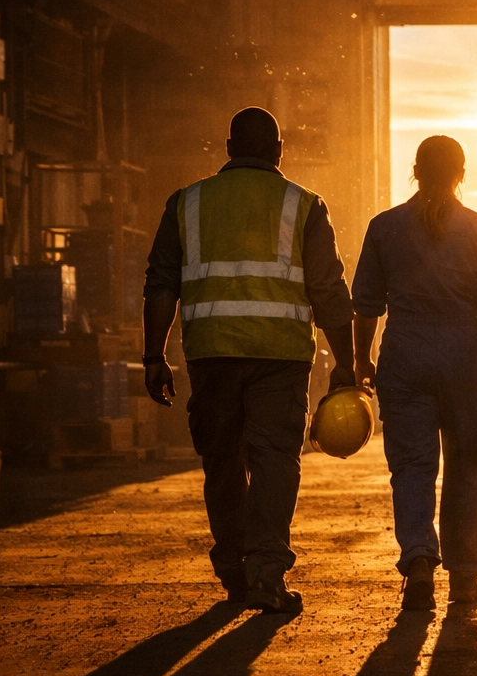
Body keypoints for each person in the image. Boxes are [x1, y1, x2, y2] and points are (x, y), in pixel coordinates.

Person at [143, 106, 355, 613]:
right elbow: (328, 290)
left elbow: (161, 284)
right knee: (275, 462)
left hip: (211, 355)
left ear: (228, 148)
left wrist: (154, 356)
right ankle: (266, 573)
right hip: (280, 357)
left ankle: (234, 571)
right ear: (279, 151)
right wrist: (347, 365)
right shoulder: (304, 204)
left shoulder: (187, 202)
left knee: (222, 463)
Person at [352, 135, 477, 612]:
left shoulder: (385, 228)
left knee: (412, 465)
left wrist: (361, 360)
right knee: (466, 466)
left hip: (404, 356)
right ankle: (465, 576)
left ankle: (418, 561)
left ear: (415, 170)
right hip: (466, 359)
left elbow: (365, 305)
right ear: (461, 174)